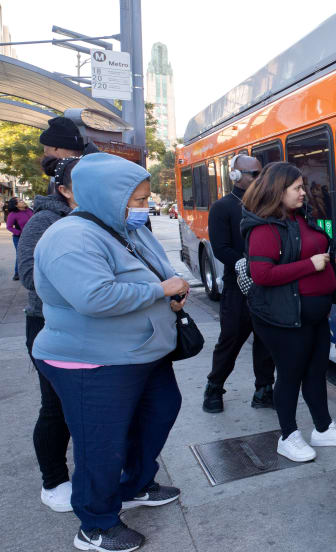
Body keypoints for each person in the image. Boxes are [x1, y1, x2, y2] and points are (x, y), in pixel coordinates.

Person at [31, 152, 187, 552]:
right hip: (92, 362)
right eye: (136, 200)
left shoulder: (124, 229)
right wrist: (160, 291)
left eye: (145, 198)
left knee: (158, 414)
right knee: (101, 443)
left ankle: (133, 485)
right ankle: (96, 523)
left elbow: (157, 270)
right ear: (105, 196)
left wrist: (171, 289)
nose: (144, 207)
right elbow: (94, 297)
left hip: (139, 354)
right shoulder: (70, 237)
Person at [241, 162, 336, 462]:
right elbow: (262, 274)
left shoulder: (300, 217)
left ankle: (322, 428)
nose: (303, 192)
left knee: (316, 373)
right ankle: (288, 435)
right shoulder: (264, 228)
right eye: (296, 188)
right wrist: (311, 265)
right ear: (278, 191)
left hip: (313, 316)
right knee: (291, 375)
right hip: (285, 318)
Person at [17, 156, 80, 513]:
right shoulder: (44, 221)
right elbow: (29, 275)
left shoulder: (99, 218)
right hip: (48, 323)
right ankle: (54, 480)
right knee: (55, 406)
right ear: (64, 190)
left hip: (88, 325)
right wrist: (85, 288)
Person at [202, 154, 276, 413]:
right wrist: (250, 264)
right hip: (238, 286)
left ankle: (264, 390)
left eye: (260, 173)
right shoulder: (223, 207)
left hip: (267, 286)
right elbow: (221, 249)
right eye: (253, 174)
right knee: (231, 339)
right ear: (235, 175)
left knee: (266, 341)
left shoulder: (267, 204)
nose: (259, 179)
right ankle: (214, 387)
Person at [6, 197, 34, 280]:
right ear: (16, 205)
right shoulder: (13, 214)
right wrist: (20, 233)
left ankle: (32, 272)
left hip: (32, 236)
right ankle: (17, 273)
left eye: (22, 200)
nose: (23, 201)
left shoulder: (30, 210)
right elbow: (9, 227)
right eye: (20, 201)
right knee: (20, 255)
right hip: (19, 238)